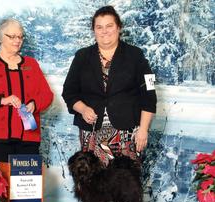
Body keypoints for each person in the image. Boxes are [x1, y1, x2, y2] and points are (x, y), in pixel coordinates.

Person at [62, 6, 157, 165]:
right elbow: (69, 92)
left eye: (109, 26)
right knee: (92, 184)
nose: (104, 31)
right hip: (91, 133)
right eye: (99, 27)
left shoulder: (136, 55)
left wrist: (143, 130)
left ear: (119, 27)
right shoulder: (82, 56)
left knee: (126, 185)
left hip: (128, 133)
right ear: (94, 30)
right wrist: (83, 109)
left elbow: (149, 94)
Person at [0, 18, 53, 164]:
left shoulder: (31, 64)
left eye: (20, 36)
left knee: (26, 185)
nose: (18, 40)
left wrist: (34, 104)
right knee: (0, 185)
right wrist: (2, 100)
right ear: (1, 37)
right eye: (12, 36)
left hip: (28, 138)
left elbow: (47, 95)